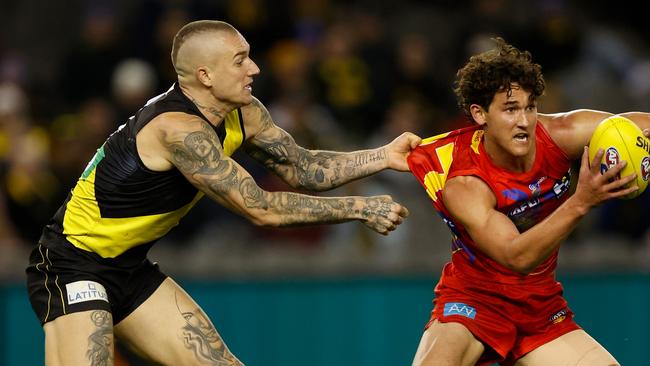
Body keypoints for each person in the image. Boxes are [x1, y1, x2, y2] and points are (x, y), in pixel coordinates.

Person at [26, 20, 421, 366]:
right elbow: (261, 208)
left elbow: (301, 168)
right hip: (69, 266)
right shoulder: (177, 130)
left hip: (129, 268)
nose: (255, 67)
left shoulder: (243, 111)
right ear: (205, 75)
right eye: (240, 59)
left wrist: (384, 155)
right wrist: (358, 207)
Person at [407, 37, 650, 366]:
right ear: (480, 114)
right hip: (473, 302)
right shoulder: (465, 183)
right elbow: (516, 256)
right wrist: (582, 202)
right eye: (510, 109)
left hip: (539, 306)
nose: (524, 121)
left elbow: (632, 127)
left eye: (530, 106)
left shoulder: (562, 133)